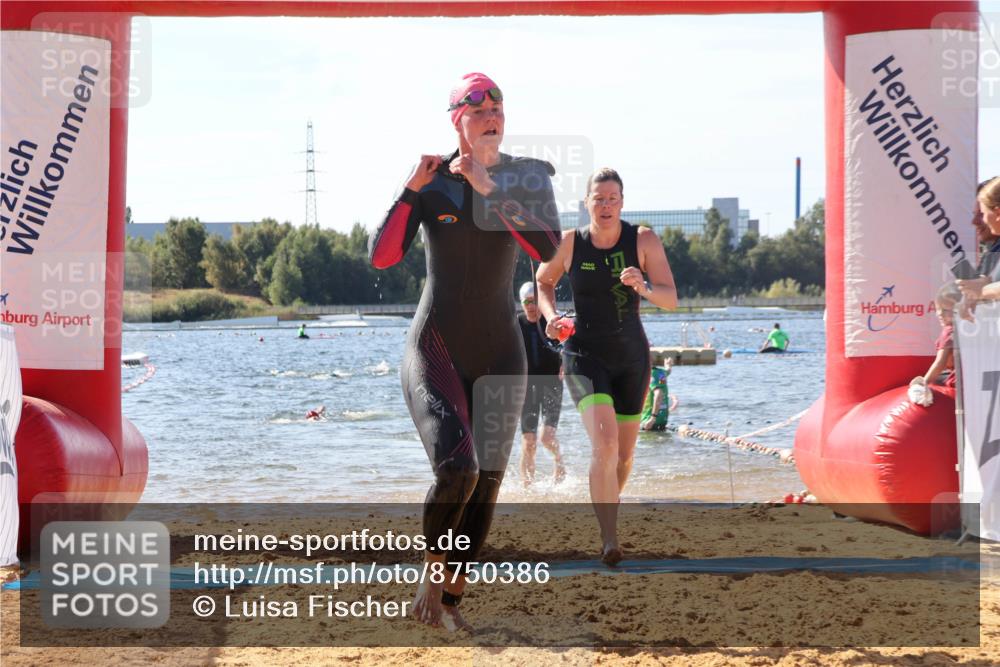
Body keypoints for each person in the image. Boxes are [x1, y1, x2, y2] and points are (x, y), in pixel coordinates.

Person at [368, 72, 559, 630]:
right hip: (436, 347)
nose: (491, 115)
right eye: (478, 110)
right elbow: (381, 257)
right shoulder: (431, 183)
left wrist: (489, 189)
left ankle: (450, 601)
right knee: (458, 468)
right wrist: (410, 188)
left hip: (502, 352)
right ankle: (431, 574)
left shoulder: (527, 178)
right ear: (458, 120)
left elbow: (548, 249)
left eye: (498, 107)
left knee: (488, 482)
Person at [536, 167, 677, 566]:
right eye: (599, 199)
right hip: (584, 354)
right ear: (587, 203)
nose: (606, 206)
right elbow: (544, 281)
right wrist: (550, 316)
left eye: (613, 198)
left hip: (631, 357)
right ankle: (609, 537)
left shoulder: (643, 240)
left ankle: (607, 506)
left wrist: (643, 287)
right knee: (606, 444)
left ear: (622, 203)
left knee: (624, 456)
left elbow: (671, 298)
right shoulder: (570, 243)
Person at [515, 281, 565, 485]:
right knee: (529, 441)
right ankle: (527, 486)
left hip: (552, 384)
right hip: (526, 388)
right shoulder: (516, 324)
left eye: (534, 301)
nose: (531, 306)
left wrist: (565, 364)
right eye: (527, 302)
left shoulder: (550, 322)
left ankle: (559, 463)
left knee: (547, 437)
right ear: (522, 303)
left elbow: (569, 345)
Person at [909, 284, 961, 406]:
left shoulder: (950, 331)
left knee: (919, 382)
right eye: (938, 309)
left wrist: (924, 383)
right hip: (964, 377)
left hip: (957, 380)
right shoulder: (968, 328)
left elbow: (940, 363)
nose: (940, 314)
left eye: (946, 310)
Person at [958, 176, 1000, 319]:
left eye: (982, 214)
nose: (974, 221)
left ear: (997, 213)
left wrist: (983, 290)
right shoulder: (992, 252)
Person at [640, 357, 672, 432]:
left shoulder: (650, 375)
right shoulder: (661, 372)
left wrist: (653, 418)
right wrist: (668, 365)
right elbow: (668, 371)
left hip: (649, 421)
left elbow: (659, 394)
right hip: (662, 419)